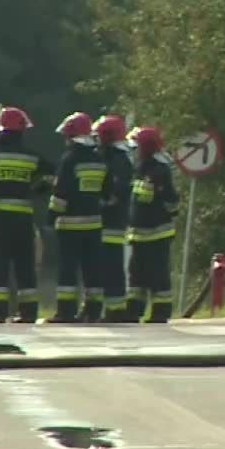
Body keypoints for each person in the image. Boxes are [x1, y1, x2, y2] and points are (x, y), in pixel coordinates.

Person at [0, 105, 56, 323]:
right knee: (25, 265)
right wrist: (35, 192)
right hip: (24, 219)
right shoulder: (31, 156)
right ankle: (28, 313)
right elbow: (54, 176)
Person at [47, 111, 111, 322]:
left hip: (69, 226)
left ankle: (66, 312)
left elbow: (60, 194)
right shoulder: (99, 161)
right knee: (93, 270)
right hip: (94, 226)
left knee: (68, 271)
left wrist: (51, 217)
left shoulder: (69, 160)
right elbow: (107, 194)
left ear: (70, 136)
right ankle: (93, 311)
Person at [125, 126, 179, 323]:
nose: (134, 151)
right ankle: (133, 310)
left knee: (158, 275)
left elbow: (172, 200)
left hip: (157, 234)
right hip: (140, 234)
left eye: (137, 147)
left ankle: (160, 311)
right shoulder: (141, 168)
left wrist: (167, 213)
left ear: (146, 148)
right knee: (136, 275)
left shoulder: (159, 170)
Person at [93, 114, 134, 322]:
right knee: (106, 267)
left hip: (111, 222)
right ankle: (110, 309)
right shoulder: (114, 157)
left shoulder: (116, 160)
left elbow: (115, 192)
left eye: (99, 136)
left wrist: (99, 201)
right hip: (109, 222)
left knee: (111, 267)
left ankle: (115, 310)